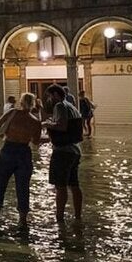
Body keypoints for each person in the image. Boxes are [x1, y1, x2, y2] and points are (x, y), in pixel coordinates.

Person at [0, 92, 41, 225]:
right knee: (23, 187)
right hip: (24, 152)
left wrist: (9, 129)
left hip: (8, 149)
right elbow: (36, 142)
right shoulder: (35, 121)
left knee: (0, 185)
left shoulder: (12, 112)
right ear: (33, 104)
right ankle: (22, 220)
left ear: (21, 102)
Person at [42, 84, 84, 223]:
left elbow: (62, 126)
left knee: (60, 186)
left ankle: (59, 218)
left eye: (49, 96)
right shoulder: (72, 106)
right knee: (74, 184)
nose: (48, 99)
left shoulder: (59, 106)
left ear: (55, 95)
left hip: (63, 151)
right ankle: (78, 216)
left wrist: (46, 124)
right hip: (75, 150)